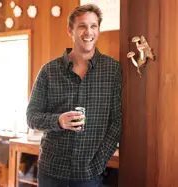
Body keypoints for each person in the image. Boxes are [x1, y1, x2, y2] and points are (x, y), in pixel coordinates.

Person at [26, 3, 122, 187]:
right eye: (82, 26)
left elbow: (116, 122)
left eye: (93, 26)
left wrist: (99, 163)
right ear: (70, 31)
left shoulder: (113, 70)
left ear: (98, 29)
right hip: (52, 170)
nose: (89, 32)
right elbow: (31, 117)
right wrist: (58, 121)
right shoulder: (49, 71)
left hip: (90, 173)